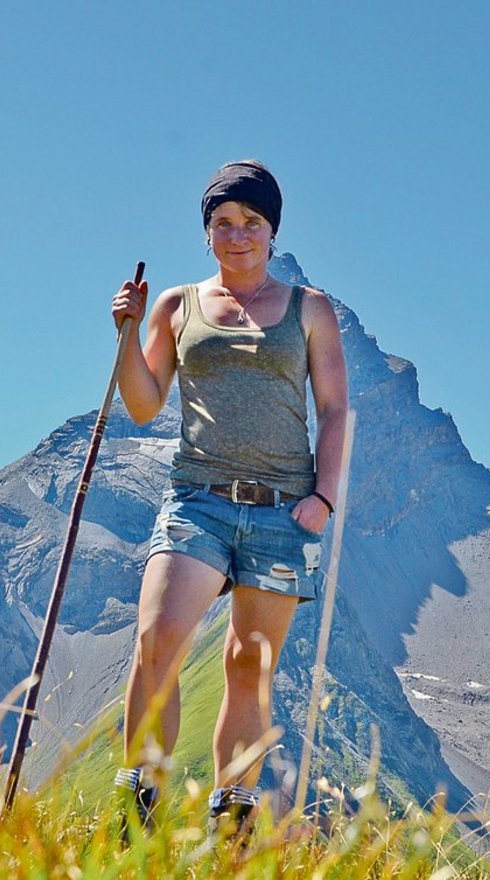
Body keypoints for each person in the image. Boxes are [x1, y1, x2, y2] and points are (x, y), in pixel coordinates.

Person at [109, 160, 348, 838]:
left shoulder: (310, 309)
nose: (236, 235)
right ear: (207, 232)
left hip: (283, 510)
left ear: (272, 232)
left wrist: (324, 497)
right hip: (197, 501)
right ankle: (140, 804)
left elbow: (334, 411)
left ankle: (232, 828)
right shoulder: (178, 306)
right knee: (158, 642)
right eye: (222, 224)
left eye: (251, 223)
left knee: (249, 666)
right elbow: (143, 402)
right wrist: (126, 334)